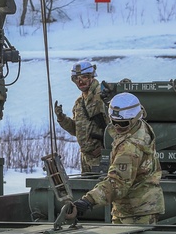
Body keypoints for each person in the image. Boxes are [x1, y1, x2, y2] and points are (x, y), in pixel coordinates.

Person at [70, 92, 165, 224]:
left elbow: (117, 184)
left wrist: (88, 200)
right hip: (139, 207)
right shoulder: (140, 127)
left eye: (123, 123)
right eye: (114, 122)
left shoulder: (130, 147)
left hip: (134, 213)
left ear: (135, 118)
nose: (117, 127)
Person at [54, 60, 108, 174]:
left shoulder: (102, 97)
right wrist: (62, 118)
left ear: (91, 77)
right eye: (76, 78)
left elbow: (115, 127)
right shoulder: (79, 102)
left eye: (84, 77)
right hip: (86, 157)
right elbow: (76, 130)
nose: (80, 81)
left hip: (103, 157)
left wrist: (105, 148)